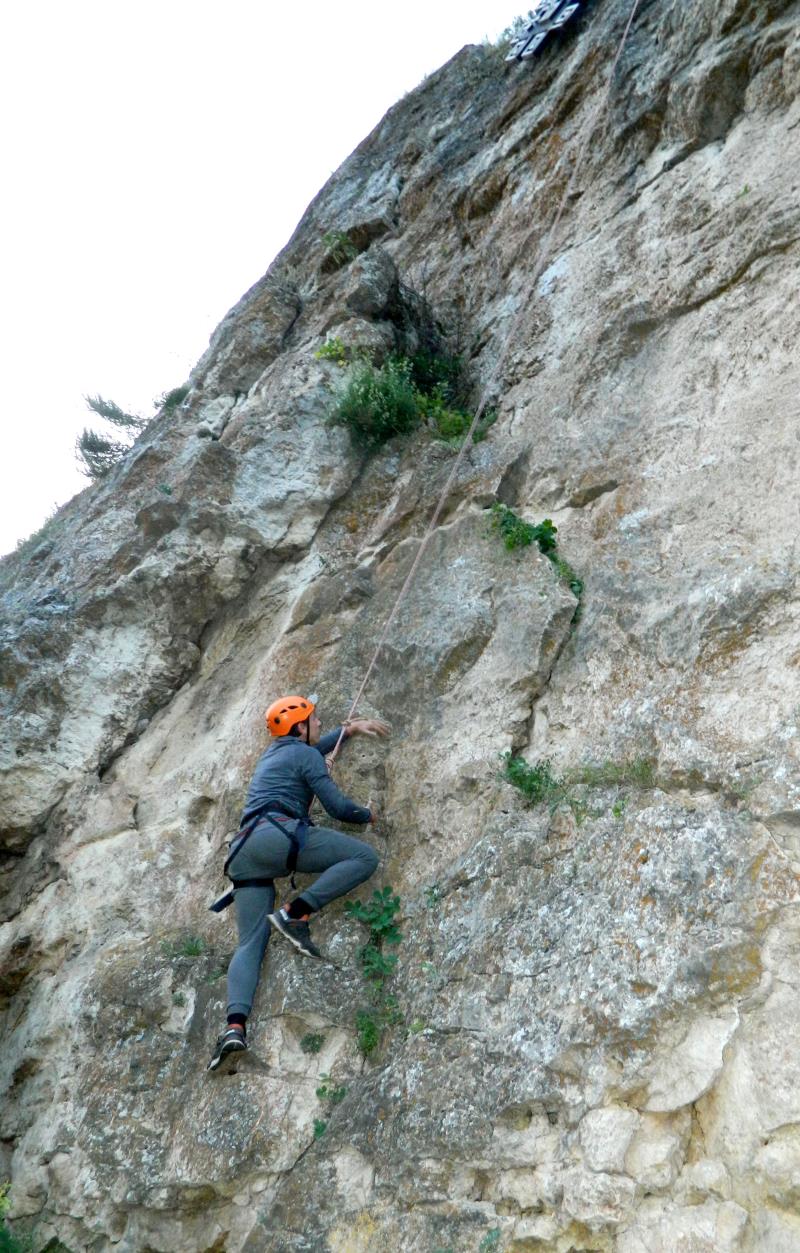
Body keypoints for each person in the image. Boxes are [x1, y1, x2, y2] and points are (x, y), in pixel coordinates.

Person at [207, 694, 389, 1071]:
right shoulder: (304, 756)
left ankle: (234, 1029)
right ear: (300, 727)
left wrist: (347, 731)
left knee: (249, 943)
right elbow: (338, 808)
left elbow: (309, 751)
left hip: (244, 852)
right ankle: (295, 912)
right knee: (364, 857)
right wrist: (367, 815)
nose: (321, 724)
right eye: (316, 720)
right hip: (279, 837)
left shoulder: (273, 756)